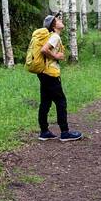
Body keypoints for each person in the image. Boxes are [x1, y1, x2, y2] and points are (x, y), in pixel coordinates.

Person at [27, 13, 81, 141]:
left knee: (45, 102)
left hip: (43, 73)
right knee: (61, 101)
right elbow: (44, 50)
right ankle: (65, 133)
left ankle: (44, 131)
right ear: (53, 25)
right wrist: (56, 56)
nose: (60, 20)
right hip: (51, 74)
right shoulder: (55, 36)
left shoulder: (51, 36)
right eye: (57, 20)